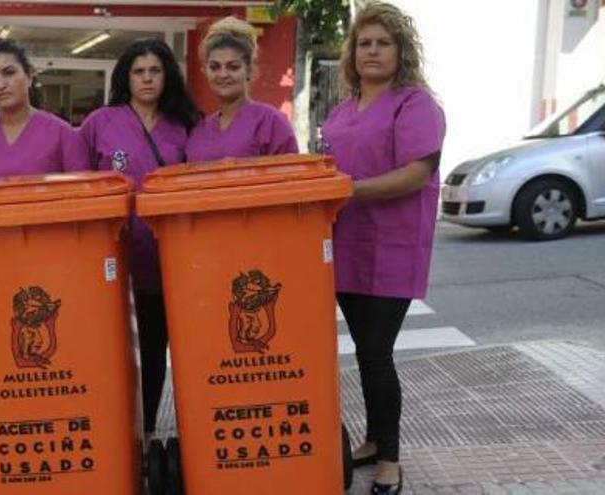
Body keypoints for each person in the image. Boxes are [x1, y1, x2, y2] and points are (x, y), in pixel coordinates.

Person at [320, 2, 446, 493]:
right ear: (353, 53)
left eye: (383, 43)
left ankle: (390, 457)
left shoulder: (415, 104)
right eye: (364, 43)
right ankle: (373, 439)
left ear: (401, 51)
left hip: (392, 245)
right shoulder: (344, 108)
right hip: (345, 244)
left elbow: (417, 172)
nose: (372, 51)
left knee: (376, 352)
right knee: (364, 352)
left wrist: (352, 189)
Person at [79, 38, 200, 439]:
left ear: (167, 76)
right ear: (125, 78)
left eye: (155, 71)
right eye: (138, 71)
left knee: (167, 353)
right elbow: (82, 189)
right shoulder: (100, 123)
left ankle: (161, 432)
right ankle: (120, 434)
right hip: (114, 259)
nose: (147, 79)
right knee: (114, 353)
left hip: (175, 260)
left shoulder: (188, 123)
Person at [0, 38, 89, 182]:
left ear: (29, 77)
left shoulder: (63, 135)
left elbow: (83, 195)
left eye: (9, 73)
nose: (0, 84)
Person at [185, 16, 298, 161]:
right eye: (214, 67)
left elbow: (291, 177)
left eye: (233, 67)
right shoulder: (200, 130)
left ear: (249, 70)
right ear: (205, 71)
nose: (223, 74)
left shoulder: (270, 122)